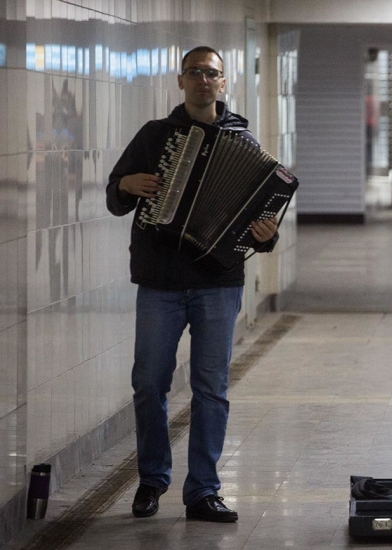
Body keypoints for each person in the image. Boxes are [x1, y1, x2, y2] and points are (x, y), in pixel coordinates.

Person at [106, 46, 279, 522]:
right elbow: (114, 197)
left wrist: (266, 235)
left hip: (217, 281)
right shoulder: (153, 136)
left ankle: (202, 490)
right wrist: (127, 185)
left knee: (211, 388)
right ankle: (152, 480)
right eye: (195, 72)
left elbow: (260, 222)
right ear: (180, 80)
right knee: (149, 383)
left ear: (223, 82)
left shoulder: (243, 142)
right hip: (160, 281)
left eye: (212, 73)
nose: (204, 79)